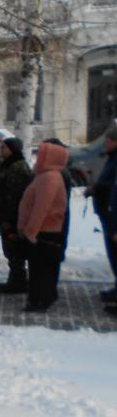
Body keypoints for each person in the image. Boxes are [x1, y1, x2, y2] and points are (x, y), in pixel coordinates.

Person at [18, 140, 70, 313]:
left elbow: (41, 207)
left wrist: (31, 232)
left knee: (41, 269)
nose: (38, 157)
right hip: (44, 231)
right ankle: (42, 298)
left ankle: (40, 300)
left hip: (44, 232)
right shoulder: (47, 175)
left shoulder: (50, 178)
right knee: (42, 268)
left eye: (41, 154)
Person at [0, 137, 33, 294]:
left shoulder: (18, 167)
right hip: (6, 216)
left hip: (12, 218)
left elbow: (16, 197)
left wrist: (9, 219)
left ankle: (18, 280)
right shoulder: (8, 165)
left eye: (4, 148)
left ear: (12, 149)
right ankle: (16, 278)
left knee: (15, 250)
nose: (1, 150)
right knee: (11, 250)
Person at [85, 124, 117, 304]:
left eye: (109, 140)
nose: (106, 143)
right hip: (108, 213)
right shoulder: (111, 158)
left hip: (113, 215)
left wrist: (97, 188)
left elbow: (112, 188)